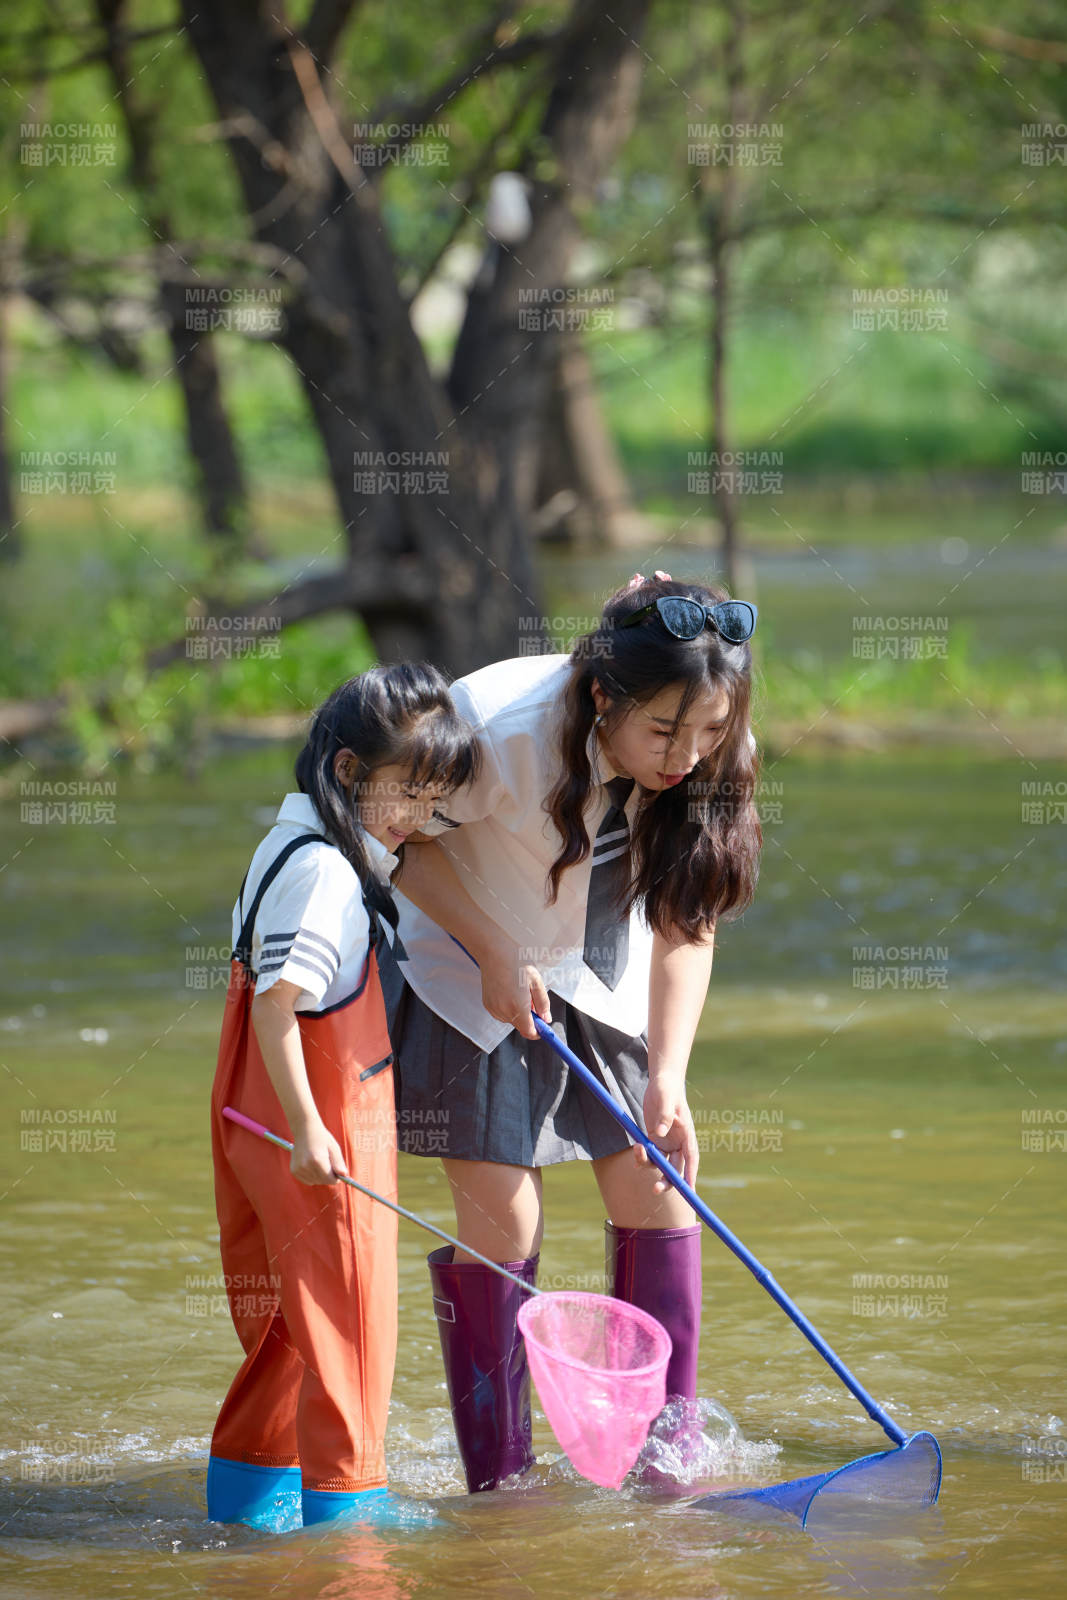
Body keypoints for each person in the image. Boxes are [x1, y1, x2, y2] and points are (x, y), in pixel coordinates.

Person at [387, 573, 762, 1494]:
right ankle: (500, 1483)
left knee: (660, 1187)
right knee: (505, 1219)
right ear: (603, 697)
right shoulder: (493, 729)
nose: (685, 755)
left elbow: (687, 922)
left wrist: (668, 1074)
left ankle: (664, 1465)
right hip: (462, 968)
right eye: (663, 732)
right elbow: (394, 834)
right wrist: (487, 944)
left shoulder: (713, 745)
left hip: (601, 971)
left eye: (708, 731)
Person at [206, 665, 478, 1529]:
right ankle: (350, 1519)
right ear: (349, 771)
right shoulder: (327, 877)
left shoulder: (283, 844)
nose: (415, 817)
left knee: (289, 1325)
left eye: (433, 797)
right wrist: (312, 1131)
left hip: (251, 1114)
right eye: (406, 790)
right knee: (352, 1317)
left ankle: (252, 1496)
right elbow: (282, 1009)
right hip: (315, 1125)